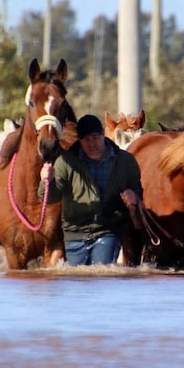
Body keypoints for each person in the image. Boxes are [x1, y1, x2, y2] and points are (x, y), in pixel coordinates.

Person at [39, 114, 142, 266]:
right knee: (78, 280)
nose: (92, 144)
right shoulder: (65, 162)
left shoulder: (126, 161)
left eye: (95, 138)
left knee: (101, 275)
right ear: (79, 142)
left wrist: (134, 196)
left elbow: (138, 191)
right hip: (74, 233)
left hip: (108, 230)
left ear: (102, 135)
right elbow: (49, 198)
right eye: (86, 140)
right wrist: (47, 181)